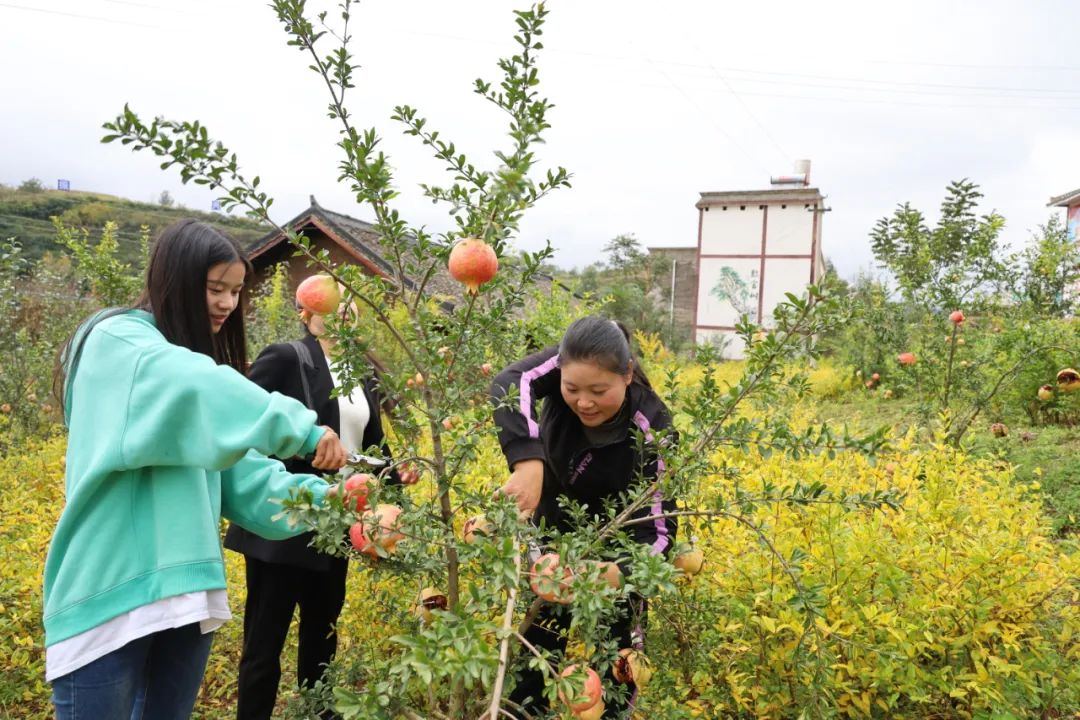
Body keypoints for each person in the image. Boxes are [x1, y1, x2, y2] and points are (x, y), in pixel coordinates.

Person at [43, 219, 348, 720]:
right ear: (174, 281)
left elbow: (246, 481)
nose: (228, 304)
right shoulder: (118, 341)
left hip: (184, 599)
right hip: (109, 596)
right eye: (214, 289)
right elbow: (195, 384)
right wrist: (305, 430)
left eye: (235, 291)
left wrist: (337, 505)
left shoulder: (185, 387)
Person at [225, 291, 414, 720]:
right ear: (306, 314)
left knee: (322, 635)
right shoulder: (287, 358)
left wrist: (400, 482)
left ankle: (318, 713)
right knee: (264, 642)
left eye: (349, 303)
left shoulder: (361, 372)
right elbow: (244, 416)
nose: (342, 310)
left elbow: (371, 446)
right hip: (286, 515)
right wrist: (301, 448)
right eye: (330, 304)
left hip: (337, 519)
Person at [490, 315, 678, 719]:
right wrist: (527, 461)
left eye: (599, 390)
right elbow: (510, 383)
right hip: (553, 536)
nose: (584, 402)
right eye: (571, 389)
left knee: (618, 659)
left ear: (627, 375)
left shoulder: (653, 428)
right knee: (537, 648)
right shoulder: (560, 363)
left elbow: (661, 533)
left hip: (615, 551)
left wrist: (612, 572)